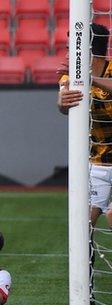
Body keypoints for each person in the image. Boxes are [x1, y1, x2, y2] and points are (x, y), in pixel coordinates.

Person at [58, 23, 112, 227]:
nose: (67, 55)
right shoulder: (70, 76)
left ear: (87, 50)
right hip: (97, 162)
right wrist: (62, 101)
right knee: (83, 223)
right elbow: (63, 106)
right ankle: (86, 259)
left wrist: (92, 81)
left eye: (70, 48)